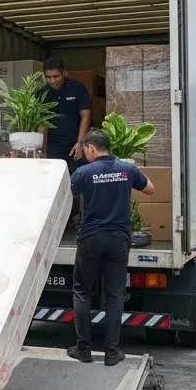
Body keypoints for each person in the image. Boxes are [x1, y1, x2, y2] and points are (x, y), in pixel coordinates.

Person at [67, 129, 155, 366]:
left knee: (82, 291)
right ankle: (112, 352)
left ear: (91, 148)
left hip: (91, 238)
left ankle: (83, 349)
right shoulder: (127, 169)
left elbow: (66, 196)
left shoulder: (84, 172)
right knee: (114, 295)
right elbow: (151, 189)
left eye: (85, 149)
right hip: (119, 239)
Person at [38, 58, 92, 171]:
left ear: (64, 73)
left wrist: (80, 143)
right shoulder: (41, 94)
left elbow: (85, 116)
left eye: (56, 76)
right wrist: (41, 150)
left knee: (77, 181)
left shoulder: (77, 88)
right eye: (48, 77)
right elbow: (42, 124)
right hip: (53, 148)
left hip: (75, 145)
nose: (53, 81)